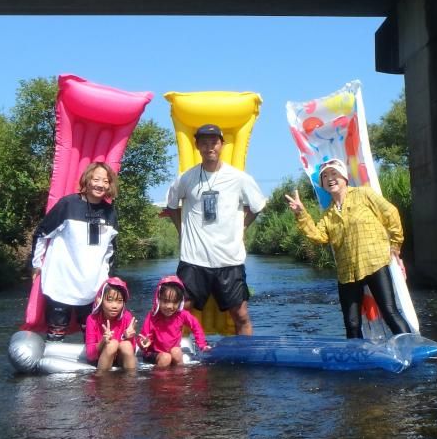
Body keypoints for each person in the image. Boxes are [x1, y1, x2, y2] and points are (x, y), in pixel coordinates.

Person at [284, 158, 411, 339]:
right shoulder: (328, 213)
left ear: (344, 177)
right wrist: (300, 214)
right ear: (322, 184)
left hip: (375, 262)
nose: (330, 178)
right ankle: (357, 360)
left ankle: (411, 347)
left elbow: (391, 213)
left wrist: (395, 245)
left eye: (334, 173)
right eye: (325, 176)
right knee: (351, 323)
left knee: (389, 312)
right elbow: (319, 237)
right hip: (347, 272)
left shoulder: (364, 194)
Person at [165, 123, 267, 335]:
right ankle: (170, 358)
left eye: (214, 142)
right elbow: (172, 206)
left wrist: (242, 228)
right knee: (178, 309)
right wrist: (182, 232)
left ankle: (245, 359)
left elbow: (257, 207)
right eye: (204, 143)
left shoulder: (239, 178)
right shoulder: (186, 178)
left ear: (222, 145)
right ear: (197, 146)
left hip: (229, 259)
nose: (209, 146)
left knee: (241, 315)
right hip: (193, 259)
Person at [31, 162, 119, 341]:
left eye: (105, 181)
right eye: (96, 179)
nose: (100, 184)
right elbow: (41, 234)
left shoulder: (110, 212)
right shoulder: (68, 204)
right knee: (56, 332)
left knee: (92, 335)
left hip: (92, 285)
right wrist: (36, 265)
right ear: (87, 180)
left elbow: (110, 249)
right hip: (61, 281)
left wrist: (108, 277)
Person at [138, 275, 211, 368]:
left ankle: (179, 379)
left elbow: (195, 326)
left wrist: (202, 345)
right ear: (158, 300)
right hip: (153, 353)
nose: (170, 306)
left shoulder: (182, 314)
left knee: (176, 352)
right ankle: (158, 381)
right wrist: (143, 343)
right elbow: (142, 338)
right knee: (166, 358)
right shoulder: (152, 316)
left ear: (180, 302)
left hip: (172, 350)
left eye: (174, 302)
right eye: (165, 301)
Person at [84, 277, 138, 372]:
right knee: (112, 344)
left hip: (120, 360)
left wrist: (129, 337)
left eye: (119, 301)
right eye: (109, 300)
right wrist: (103, 341)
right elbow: (90, 355)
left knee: (126, 345)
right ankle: (102, 381)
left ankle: (131, 383)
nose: (114, 306)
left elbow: (132, 350)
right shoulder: (92, 319)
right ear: (100, 300)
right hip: (100, 358)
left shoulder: (127, 317)